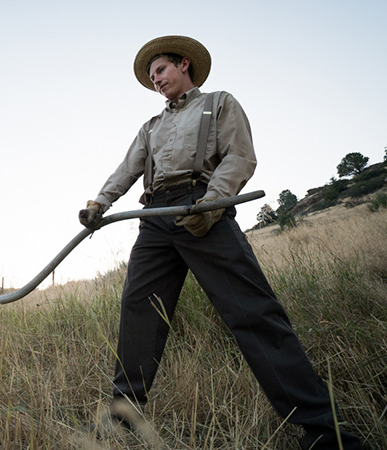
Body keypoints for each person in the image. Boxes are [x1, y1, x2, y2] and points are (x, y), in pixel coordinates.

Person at [78, 35, 363, 449]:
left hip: (204, 211)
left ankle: (323, 431)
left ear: (183, 65)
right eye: (151, 75)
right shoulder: (151, 127)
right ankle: (121, 420)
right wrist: (99, 202)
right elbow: (128, 169)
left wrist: (210, 204)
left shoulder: (218, 103)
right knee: (138, 313)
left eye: (160, 70)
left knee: (253, 314)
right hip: (154, 219)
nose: (155, 79)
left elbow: (240, 156)